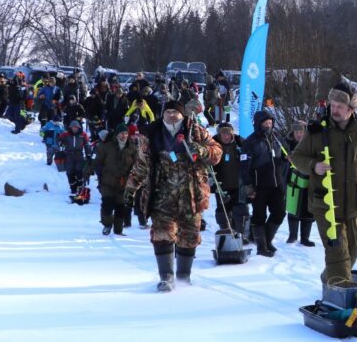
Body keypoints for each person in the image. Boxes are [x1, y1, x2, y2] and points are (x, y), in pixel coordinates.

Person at [289, 82, 357, 286]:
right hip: (325, 204)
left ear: (351, 108)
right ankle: (341, 298)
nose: (334, 110)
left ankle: (330, 277)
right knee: (337, 252)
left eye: (340, 106)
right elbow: (296, 157)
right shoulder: (316, 131)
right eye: (333, 105)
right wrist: (313, 165)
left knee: (352, 250)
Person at [126, 100, 222, 292]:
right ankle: (166, 277)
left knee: (189, 235)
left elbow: (217, 154)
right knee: (162, 234)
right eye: (168, 112)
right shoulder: (151, 135)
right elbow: (141, 165)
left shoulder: (196, 131)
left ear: (182, 115)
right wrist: (131, 188)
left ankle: (184, 278)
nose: (171, 116)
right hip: (162, 194)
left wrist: (201, 150)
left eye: (175, 113)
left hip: (192, 195)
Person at [241, 109, 289, 257]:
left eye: (270, 123)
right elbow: (244, 166)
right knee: (259, 216)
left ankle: (267, 241)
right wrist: (248, 185)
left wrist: (285, 159)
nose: (269, 125)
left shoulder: (277, 137)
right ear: (258, 124)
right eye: (265, 123)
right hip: (259, 185)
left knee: (279, 213)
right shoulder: (250, 142)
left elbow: (286, 153)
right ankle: (261, 247)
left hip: (277, 183)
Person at [94, 124, 137, 235]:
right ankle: (107, 224)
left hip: (123, 182)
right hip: (107, 181)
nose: (124, 135)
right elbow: (98, 161)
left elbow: (137, 164)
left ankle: (118, 230)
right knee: (107, 204)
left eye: (126, 133)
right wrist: (93, 171)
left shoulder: (132, 148)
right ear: (117, 134)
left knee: (121, 206)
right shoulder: (107, 146)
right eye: (122, 133)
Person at [211, 121, 246, 238]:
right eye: (223, 134)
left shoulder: (240, 144)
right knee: (223, 211)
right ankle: (225, 234)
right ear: (219, 135)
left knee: (239, 211)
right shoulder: (213, 146)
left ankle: (239, 235)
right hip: (221, 185)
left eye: (228, 134)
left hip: (238, 184)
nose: (226, 136)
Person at [283, 120, 314, 246]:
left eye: (301, 131)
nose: (299, 134)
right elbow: (279, 157)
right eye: (297, 132)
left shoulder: (311, 144)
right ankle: (292, 235)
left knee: (308, 208)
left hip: (308, 179)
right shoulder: (287, 144)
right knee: (293, 205)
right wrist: (285, 158)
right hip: (292, 180)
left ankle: (305, 237)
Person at [58, 120, 93, 198]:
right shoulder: (66, 134)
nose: (74, 129)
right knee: (69, 172)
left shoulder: (83, 135)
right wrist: (60, 142)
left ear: (78, 127)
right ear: (70, 127)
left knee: (79, 171)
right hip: (68, 155)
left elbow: (87, 145)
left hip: (79, 155)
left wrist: (88, 155)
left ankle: (80, 187)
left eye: (76, 127)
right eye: (73, 127)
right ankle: (73, 188)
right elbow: (59, 140)